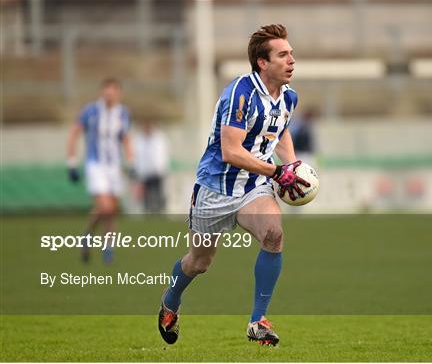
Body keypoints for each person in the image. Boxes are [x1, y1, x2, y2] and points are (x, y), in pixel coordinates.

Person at [157, 24, 309, 346]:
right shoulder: (240, 93)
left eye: (291, 53)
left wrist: (292, 164)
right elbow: (231, 150)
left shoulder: (288, 98)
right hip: (214, 188)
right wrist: (276, 171)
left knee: (274, 233)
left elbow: (279, 131)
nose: (291, 60)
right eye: (283, 54)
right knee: (199, 262)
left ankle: (258, 321)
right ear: (262, 63)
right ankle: (171, 300)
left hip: (253, 187)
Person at [67, 78, 133, 263]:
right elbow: (74, 133)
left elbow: (126, 139)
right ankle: (89, 237)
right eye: (106, 91)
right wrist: (71, 162)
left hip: (115, 166)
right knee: (105, 207)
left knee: (111, 210)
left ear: (118, 93)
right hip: (95, 164)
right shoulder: (91, 111)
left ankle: (106, 246)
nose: (108, 95)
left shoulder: (123, 113)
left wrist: (131, 162)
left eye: (112, 92)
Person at [134, 119, 169, 213]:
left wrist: (161, 168)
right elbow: (138, 157)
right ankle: (148, 211)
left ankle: (160, 211)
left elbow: (162, 154)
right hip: (144, 172)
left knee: (158, 193)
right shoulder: (139, 138)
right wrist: (139, 172)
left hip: (158, 171)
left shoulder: (159, 137)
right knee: (146, 196)